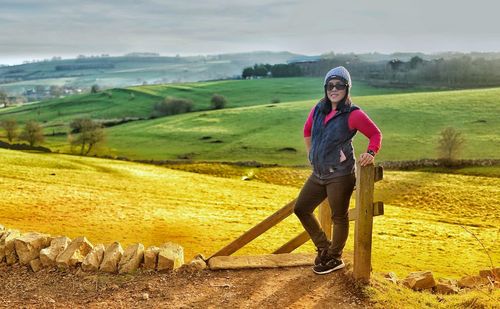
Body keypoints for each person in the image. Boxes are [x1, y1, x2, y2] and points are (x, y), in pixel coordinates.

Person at [294, 66, 382, 275]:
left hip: (340, 175)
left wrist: (370, 152)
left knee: (339, 216)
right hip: (319, 173)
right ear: (326, 88)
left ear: (346, 88)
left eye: (339, 85)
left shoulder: (353, 114)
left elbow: (375, 134)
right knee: (301, 208)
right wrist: (310, 153)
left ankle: (334, 257)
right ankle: (324, 247)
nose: (334, 89)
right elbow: (307, 130)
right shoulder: (318, 109)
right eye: (330, 85)